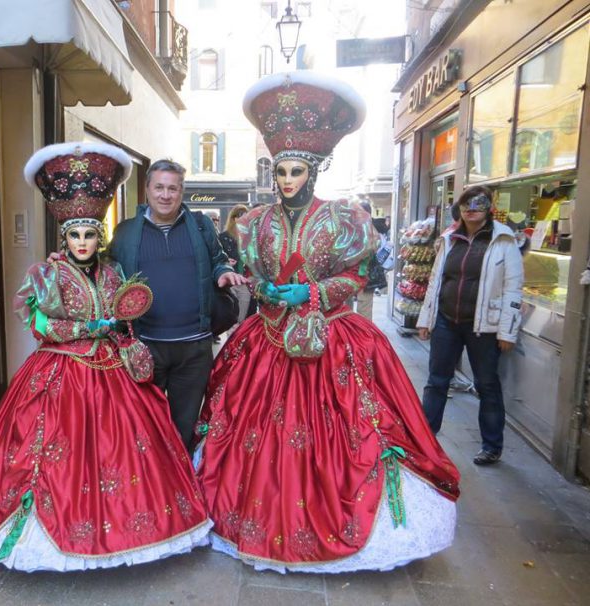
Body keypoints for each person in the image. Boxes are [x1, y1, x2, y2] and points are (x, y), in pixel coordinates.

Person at [194, 72, 460, 574]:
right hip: (267, 341)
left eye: (296, 171)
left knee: (353, 430)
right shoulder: (256, 223)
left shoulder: (344, 219)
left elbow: (356, 275)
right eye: (280, 172)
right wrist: (265, 288)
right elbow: (255, 272)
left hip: (332, 340)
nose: (287, 181)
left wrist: (312, 292)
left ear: (313, 172)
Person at [0, 143, 211, 571]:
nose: (83, 242)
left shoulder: (112, 272)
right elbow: (36, 323)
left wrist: (120, 332)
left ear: (98, 236)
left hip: (112, 373)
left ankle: (124, 526)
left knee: (120, 449)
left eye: (89, 234)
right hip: (59, 375)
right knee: (53, 454)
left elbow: (124, 312)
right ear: (64, 237)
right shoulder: (46, 274)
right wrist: (85, 329)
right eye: (75, 235)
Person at [109, 160, 247, 447]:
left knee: (184, 428)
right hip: (145, 347)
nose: (165, 195)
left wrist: (223, 273)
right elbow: (103, 273)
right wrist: (64, 263)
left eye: (173, 188)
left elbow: (218, 259)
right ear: (147, 190)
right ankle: (151, 488)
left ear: (182, 191)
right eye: (159, 187)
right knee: (145, 428)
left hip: (194, 350)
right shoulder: (125, 233)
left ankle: (180, 487)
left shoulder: (200, 225)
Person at [417, 185, 524, 466]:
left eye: (478, 204)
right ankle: (426, 437)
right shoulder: (449, 238)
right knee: (436, 382)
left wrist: (507, 330)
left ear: (489, 207)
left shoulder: (503, 240)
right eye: (465, 204)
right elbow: (436, 282)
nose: (471, 209)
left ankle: (491, 446)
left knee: (486, 384)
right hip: (446, 321)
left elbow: (513, 288)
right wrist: (426, 319)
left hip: (484, 327)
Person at [219, 204, 255, 324]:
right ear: (234, 218)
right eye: (241, 217)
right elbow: (217, 258)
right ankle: (231, 341)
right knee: (231, 319)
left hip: (245, 281)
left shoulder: (251, 237)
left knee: (242, 319)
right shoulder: (223, 237)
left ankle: (238, 341)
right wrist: (225, 260)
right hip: (230, 281)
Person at [355, 201, 388, 320]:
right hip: (351, 274)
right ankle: (350, 335)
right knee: (348, 310)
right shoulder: (352, 227)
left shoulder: (371, 228)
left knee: (364, 310)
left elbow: (375, 247)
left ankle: (362, 336)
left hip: (366, 274)